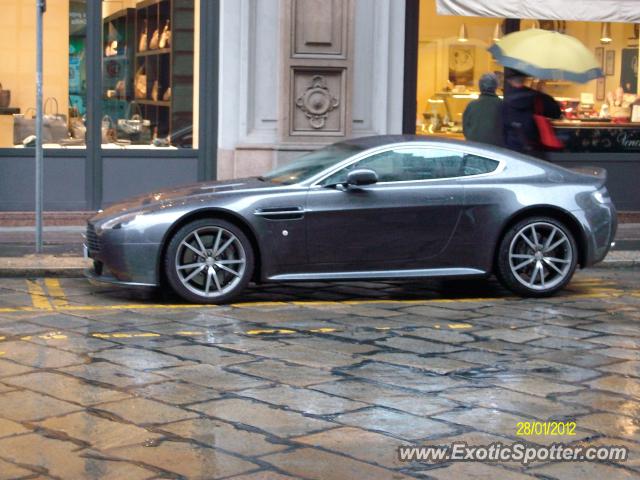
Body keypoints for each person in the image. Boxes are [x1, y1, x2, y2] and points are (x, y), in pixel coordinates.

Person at [503, 72, 562, 153]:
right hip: (535, 145)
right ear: (525, 79)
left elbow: (503, 125)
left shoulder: (505, 101)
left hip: (513, 145)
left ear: (509, 81)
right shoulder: (538, 97)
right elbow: (557, 113)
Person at [462, 73, 504, 146]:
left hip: (474, 148)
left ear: (480, 86)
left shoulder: (472, 105)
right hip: (496, 150)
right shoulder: (502, 105)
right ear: (496, 87)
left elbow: (465, 128)